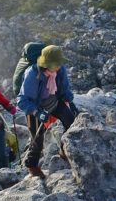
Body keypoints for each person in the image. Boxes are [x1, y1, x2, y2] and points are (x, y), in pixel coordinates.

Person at [18, 45, 79, 178]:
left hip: (54, 102)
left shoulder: (59, 70)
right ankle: (32, 165)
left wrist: (70, 101)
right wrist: (36, 112)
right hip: (36, 107)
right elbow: (22, 100)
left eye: (59, 64)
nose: (58, 67)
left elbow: (64, 89)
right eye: (56, 64)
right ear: (47, 64)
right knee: (37, 139)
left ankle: (64, 149)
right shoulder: (33, 74)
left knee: (71, 122)